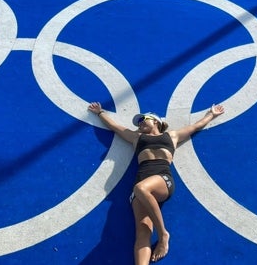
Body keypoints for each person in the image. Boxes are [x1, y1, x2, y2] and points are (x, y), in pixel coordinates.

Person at [88, 102, 225, 264]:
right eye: (138, 123)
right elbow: (116, 127)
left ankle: (163, 235)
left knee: (140, 188)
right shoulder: (136, 137)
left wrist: (211, 114)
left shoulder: (172, 136)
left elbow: (196, 126)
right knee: (143, 233)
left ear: (155, 121)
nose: (139, 124)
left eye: (142, 120)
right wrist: (100, 113)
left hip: (162, 180)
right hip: (141, 184)